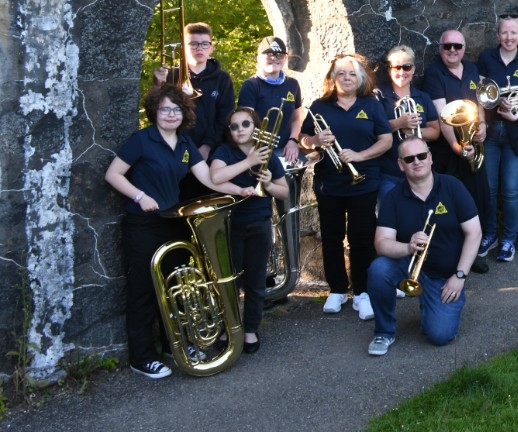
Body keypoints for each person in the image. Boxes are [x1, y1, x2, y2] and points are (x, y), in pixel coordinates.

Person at [104, 83, 220, 379]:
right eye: (165, 108)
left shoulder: (184, 144)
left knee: (177, 287)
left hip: (174, 221)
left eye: (176, 108)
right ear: (155, 111)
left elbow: (208, 178)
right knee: (144, 290)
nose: (171, 114)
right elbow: (113, 174)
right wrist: (140, 197)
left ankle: (174, 347)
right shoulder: (141, 140)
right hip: (143, 224)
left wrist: (244, 186)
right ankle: (141, 358)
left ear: (184, 113)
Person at [365, 137, 481, 353]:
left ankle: (432, 303)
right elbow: (381, 243)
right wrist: (408, 248)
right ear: (401, 165)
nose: (416, 162)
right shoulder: (393, 197)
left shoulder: (452, 187)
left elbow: (474, 233)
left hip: (445, 276)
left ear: (430, 158)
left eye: (421, 156)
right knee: (379, 269)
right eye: (409, 159)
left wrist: (460, 276)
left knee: (440, 335)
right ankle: (384, 332)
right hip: (408, 267)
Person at [299, 54, 393, 321]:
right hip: (329, 183)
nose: (347, 78)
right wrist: (315, 140)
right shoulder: (319, 106)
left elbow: (385, 140)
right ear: (332, 79)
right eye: (341, 74)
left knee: (362, 237)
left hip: (364, 180)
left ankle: (363, 292)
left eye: (352, 74)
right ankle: (337, 289)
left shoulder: (371, 105)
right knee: (331, 236)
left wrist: (359, 156)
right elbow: (303, 139)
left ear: (360, 78)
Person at [208, 106, 290, 354]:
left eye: (245, 124)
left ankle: (250, 329)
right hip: (229, 223)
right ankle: (228, 327)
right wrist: (249, 162)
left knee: (255, 280)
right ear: (229, 131)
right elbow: (216, 177)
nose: (240, 129)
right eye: (234, 126)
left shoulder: (268, 155)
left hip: (259, 221)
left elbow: (284, 192)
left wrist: (268, 184)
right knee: (228, 279)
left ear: (256, 127)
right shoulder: (224, 151)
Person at [476, 15, 518, 264]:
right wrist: (485, 117)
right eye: (504, 33)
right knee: (490, 188)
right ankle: (491, 234)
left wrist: (516, 114)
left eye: (513, 33)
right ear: (497, 35)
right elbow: (480, 95)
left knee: (511, 190)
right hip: (492, 131)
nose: (509, 37)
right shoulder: (486, 59)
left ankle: (508, 240)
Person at [423, 28, 489, 272]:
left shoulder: (471, 69)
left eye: (457, 46)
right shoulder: (433, 74)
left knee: (477, 200)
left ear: (464, 49)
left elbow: (479, 101)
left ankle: (473, 256)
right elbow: (443, 117)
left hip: (474, 146)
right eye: (447, 46)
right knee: (452, 205)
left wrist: (482, 125)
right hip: (449, 153)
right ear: (440, 48)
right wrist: (456, 146)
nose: (452, 50)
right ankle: (453, 258)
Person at [154, 21, 234, 162]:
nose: (199, 49)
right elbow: (156, 112)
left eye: (204, 44)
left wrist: (207, 146)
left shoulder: (223, 79)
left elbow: (225, 117)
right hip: (175, 148)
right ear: (183, 48)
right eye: (193, 44)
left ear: (211, 47)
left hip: (212, 151)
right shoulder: (171, 76)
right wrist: (158, 84)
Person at [375, 45, 441, 201]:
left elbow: (435, 131)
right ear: (389, 70)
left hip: (420, 174)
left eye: (407, 67)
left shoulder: (423, 97)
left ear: (413, 69)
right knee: (389, 219)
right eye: (396, 67)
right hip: (389, 172)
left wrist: (416, 132)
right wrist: (399, 123)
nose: (402, 72)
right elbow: (372, 129)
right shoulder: (378, 95)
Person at [237, 36, 303, 169]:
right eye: (269, 54)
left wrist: (293, 140)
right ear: (259, 58)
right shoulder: (251, 85)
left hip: (285, 149)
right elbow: (244, 123)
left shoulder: (293, 84)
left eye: (280, 54)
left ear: (285, 58)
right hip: (258, 151)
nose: (274, 58)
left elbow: (296, 118)